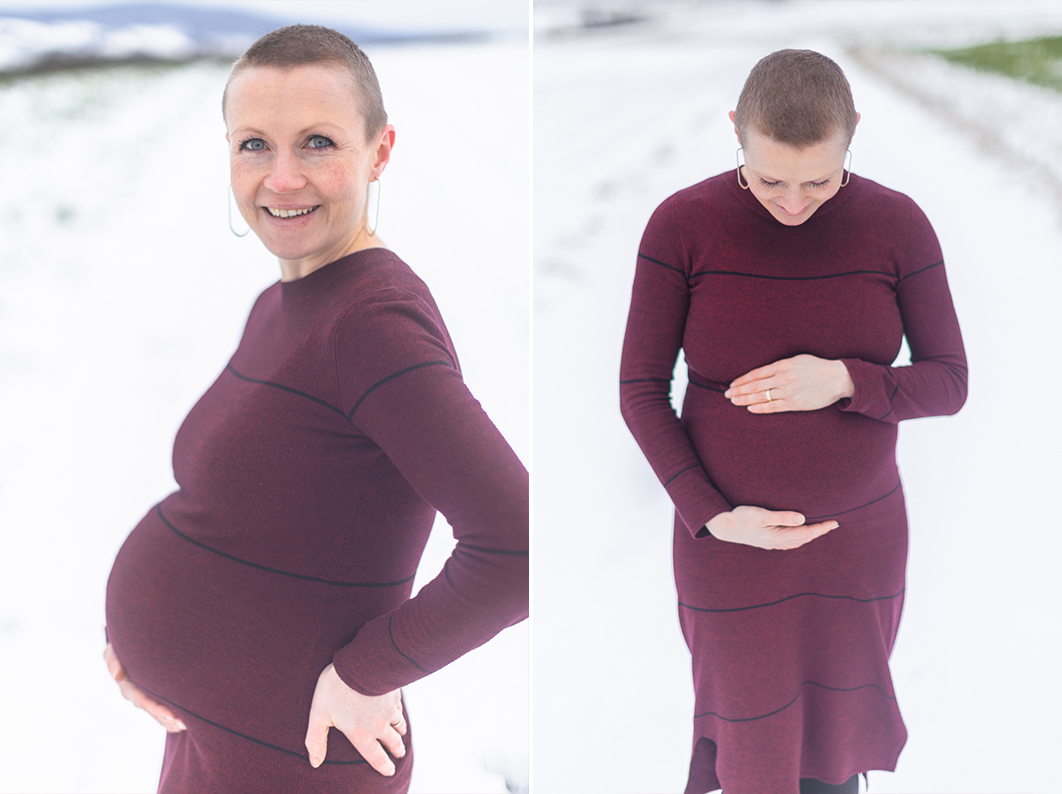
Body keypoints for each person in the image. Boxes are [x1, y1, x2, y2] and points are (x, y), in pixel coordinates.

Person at [102, 25, 528, 794]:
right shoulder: (287, 298)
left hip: (296, 757)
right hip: (224, 743)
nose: (282, 177)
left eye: (319, 143)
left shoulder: (372, 324)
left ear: (380, 152)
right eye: (254, 144)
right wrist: (142, 643)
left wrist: (369, 672)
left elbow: (519, 546)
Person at [619, 49, 967, 794]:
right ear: (737, 132)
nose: (793, 202)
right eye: (770, 178)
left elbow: (950, 382)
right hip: (727, 550)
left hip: (858, 548)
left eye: (820, 179)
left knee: (836, 752)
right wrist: (711, 517)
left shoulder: (897, 225)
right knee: (751, 752)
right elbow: (640, 388)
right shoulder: (683, 225)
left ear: (853, 138)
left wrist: (845, 380)